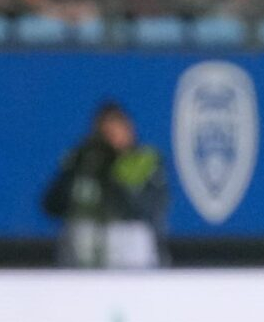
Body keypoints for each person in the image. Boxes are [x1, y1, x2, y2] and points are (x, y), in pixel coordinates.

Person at [42, 101, 169, 268]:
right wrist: (84, 166)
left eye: (117, 128)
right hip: (84, 246)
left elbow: (147, 208)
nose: (111, 136)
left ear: (128, 129)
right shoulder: (82, 161)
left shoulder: (143, 160)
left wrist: (113, 170)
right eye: (106, 131)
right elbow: (51, 205)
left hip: (128, 246)